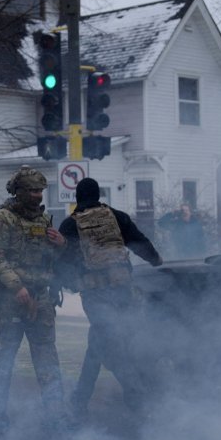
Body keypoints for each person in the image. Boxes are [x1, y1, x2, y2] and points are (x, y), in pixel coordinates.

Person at [58, 177, 163, 416]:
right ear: (99, 194)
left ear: (77, 197)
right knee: (107, 342)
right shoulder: (117, 217)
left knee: (105, 344)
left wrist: (71, 284)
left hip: (95, 296)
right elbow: (139, 242)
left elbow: (62, 263)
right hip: (123, 291)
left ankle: (134, 397)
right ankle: (82, 400)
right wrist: (156, 260)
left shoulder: (70, 225)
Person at [0, 165, 67, 432]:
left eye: (40, 191)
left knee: (48, 361)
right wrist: (17, 287)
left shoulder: (43, 221)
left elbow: (49, 261)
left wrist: (60, 245)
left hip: (41, 299)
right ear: (18, 191)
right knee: (3, 360)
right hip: (11, 300)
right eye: (31, 190)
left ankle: (55, 418)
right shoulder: (0, 219)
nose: (37, 195)